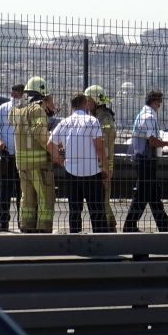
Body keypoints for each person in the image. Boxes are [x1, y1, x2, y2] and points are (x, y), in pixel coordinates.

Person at [48, 94, 111, 233]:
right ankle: (101, 242)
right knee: (97, 210)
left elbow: (49, 145)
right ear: (86, 104)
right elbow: (99, 148)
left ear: (72, 106)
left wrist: (61, 159)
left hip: (71, 171)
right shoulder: (92, 121)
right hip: (91, 171)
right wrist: (106, 168)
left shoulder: (64, 123)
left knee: (74, 210)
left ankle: (75, 239)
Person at [123, 90, 168, 233]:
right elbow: (153, 141)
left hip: (145, 159)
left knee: (154, 196)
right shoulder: (148, 117)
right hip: (145, 160)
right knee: (142, 196)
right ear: (154, 101)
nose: (160, 105)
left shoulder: (144, 114)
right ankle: (129, 226)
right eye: (159, 102)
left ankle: (165, 227)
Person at [8, 76, 57, 233]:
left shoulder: (17, 110)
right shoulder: (37, 110)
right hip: (38, 164)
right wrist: (56, 153)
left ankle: (27, 226)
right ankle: (43, 229)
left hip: (21, 163)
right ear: (42, 94)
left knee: (27, 197)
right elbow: (40, 134)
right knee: (45, 197)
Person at [0, 84, 25, 232]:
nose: (18, 96)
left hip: (22, 156)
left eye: (21, 94)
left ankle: (23, 223)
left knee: (23, 192)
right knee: (5, 190)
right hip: (7, 155)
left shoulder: (26, 110)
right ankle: (3, 222)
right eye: (16, 93)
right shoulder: (3, 109)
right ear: (12, 93)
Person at [84, 85, 117, 232]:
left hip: (101, 167)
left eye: (88, 100)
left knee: (102, 201)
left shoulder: (103, 120)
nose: (86, 103)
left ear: (95, 101)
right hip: (98, 166)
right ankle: (109, 227)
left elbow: (104, 147)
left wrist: (106, 168)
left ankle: (109, 229)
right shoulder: (100, 117)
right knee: (102, 201)